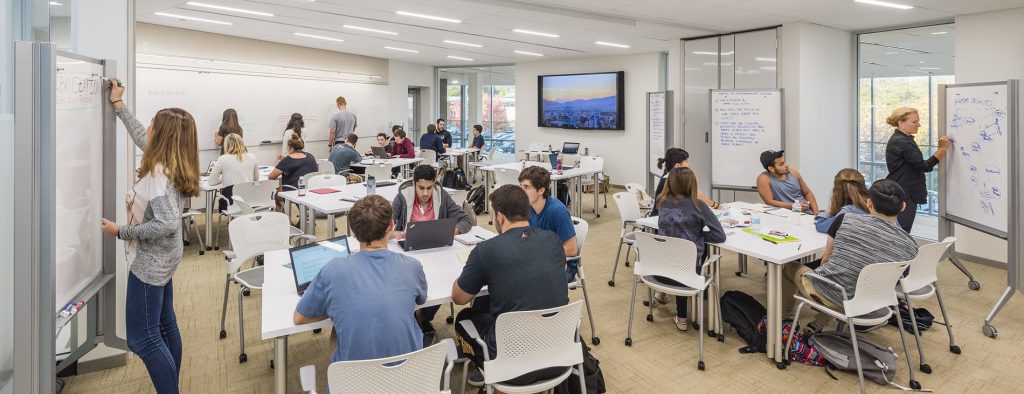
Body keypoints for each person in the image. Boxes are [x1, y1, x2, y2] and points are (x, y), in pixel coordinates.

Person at [99, 78, 200, 394]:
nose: (149, 129)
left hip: (152, 262)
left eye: (154, 124)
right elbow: (141, 136)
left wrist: (120, 231)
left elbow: (168, 223)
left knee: (143, 339)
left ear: (164, 135)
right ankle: (172, 384)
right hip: (166, 258)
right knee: (165, 324)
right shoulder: (174, 161)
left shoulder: (158, 174)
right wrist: (118, 105)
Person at [452, 184, 569, 386]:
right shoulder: (553, 240)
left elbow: (459, 298)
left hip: (510, 363)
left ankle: (487, 373)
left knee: (464, 318)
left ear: (500, 217)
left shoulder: (486, 250)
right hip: (559, 351)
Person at [293, 195, 428, 366]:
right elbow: (421, 300)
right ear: (390, 226)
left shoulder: (332, 270)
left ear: (354, 232)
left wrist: (338, 307)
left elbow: (299, 318)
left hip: (353, 385)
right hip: (409, 379)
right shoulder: (412, 266)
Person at [782, 179, 919, 332]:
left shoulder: (845, 220)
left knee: (789, 267)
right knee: (848, 279)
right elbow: (899, 279)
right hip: (873, 301)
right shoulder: (911, 245)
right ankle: (818, 322)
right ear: (903, 207)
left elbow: (825, 260)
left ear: (868, 203)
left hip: (831, 294)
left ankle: (785, 322)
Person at [389, 164, 473, 334]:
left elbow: (466, 221)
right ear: (414, 184)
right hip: (408, 252)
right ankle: (404, 321)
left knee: (445, 282)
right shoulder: (403, 197)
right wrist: (396, 233)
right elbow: (384, 225)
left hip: (436, 252)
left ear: (435, 184)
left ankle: (422, 316)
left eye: (429, 187)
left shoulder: (441, 196)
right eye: (421, 188)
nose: (426, 193)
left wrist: (449, 231)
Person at [654, 167, 727, 330]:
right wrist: (698, 236)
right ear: (692, 184)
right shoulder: (698, 205)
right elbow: (720, 236)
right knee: (686, 256)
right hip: (687, 270)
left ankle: (680, 315)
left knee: (677, 252)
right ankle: (682, 316)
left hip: (658, 267)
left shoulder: (661, 200)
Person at [884, 107, 951, 233]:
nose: (919, 125)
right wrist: (942, 149)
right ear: (900, 123)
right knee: (902, 232)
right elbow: (924, 166)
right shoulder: (902, 142)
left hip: (902, 191)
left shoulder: (902, 139)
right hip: (905, 193)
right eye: (914, 122)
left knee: (900, 230)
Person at [518, 166, 579, 281]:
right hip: (538, 260)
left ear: (541, 190)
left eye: (526, 187)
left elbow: (572, 250)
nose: (521, 191)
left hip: (563, 266)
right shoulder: (527, 207)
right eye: (521, 186)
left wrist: (539, 248)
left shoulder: (557, 211)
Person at [651, 148, 720, 216]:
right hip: (660, 219)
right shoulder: (672, 179)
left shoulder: (669, 174)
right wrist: (716, 206)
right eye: (686, 162)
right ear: (677, 165)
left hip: (668, 216)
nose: (688, 165)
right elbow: (698, 196)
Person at [208, 133, 259, 212]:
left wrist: (223, 178)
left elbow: (211, 182)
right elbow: (256, 179)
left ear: (226, 145)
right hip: (249, 201)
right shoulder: (252, 156)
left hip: (230, 203)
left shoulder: (222, 159)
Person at [814, 168, 869, 233]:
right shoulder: (871, 204)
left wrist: (828, 211)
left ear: (836, 191)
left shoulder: (846, 212)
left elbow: (821, 226)